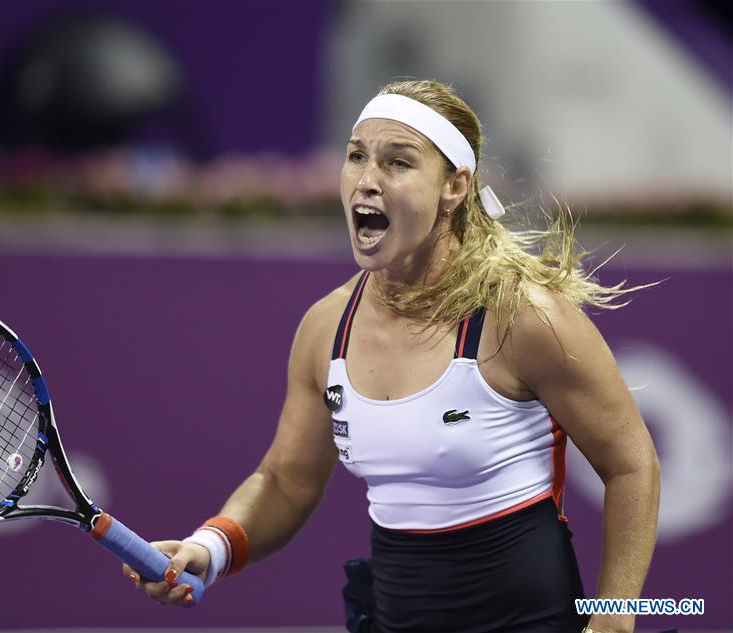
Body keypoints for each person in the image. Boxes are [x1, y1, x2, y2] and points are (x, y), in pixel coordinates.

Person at [123, 79, 661, 633]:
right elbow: (287, 480)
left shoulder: (523, 317)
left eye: (398, 163)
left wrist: (615, 621)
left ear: (455, 186)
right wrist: (207, 548)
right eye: (356, 156)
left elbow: (630, 463)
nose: (366, 181)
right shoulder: (325, 328)